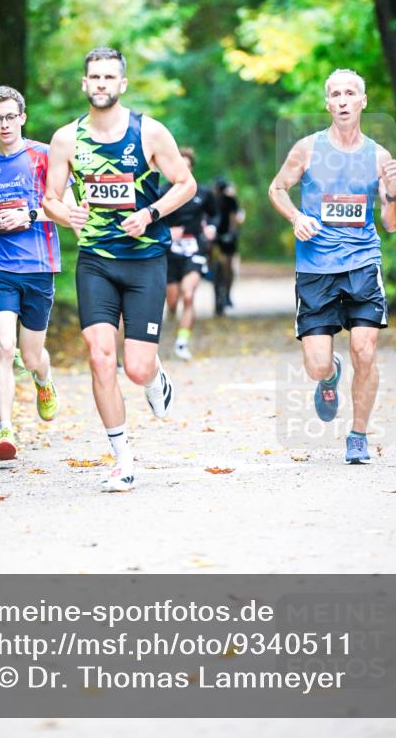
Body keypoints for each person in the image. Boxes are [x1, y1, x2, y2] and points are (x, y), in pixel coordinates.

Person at [44, 47, 197, 492]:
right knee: (98, 356)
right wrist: (64, 215)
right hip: (96, 261)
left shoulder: (149, 132)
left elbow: (186, 184)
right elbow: (52, 198)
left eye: (110, 77)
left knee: (135, 367)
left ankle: (153, 376)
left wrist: (149, 214)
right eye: (95, 77)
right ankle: (122, 458)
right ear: (84, 83)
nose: (102, 84)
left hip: (145, 260)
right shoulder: (66, 139)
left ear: (122, 84)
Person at [268, 68, 396, 464]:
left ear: (362, 101)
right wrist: (296, 218)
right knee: (316, 364)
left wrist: (393, 194)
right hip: (315, 268)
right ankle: (329, 375)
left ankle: (358, 435)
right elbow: (277, 188)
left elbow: (392, 223)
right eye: (335, 94)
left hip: (362, 262)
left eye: (350, 93)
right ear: (327, 104)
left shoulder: (379, 156)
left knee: (365, 349)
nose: (343, 100)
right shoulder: (306, 149)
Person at [0, 86, 68, 462]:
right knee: (4, 347)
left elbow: (66, 207)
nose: (5, 124)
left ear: (22, 117)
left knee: (30, 355)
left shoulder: (43, 157)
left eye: (11, 116)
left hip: (39, 266)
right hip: (0, 266)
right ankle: (5, 430)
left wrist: (30, 215)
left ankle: (42, 379)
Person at [160, 147, 217, 360]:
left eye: (187, 165)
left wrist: (211, 227)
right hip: (170, 253)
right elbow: (150, 221)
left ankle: (182, 343)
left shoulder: (203, 192)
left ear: (191, 168)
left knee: (189, 294)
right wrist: (167, 232)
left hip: (195, 249)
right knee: (172, 300)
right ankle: (172, 313)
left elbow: (215, 215)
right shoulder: (162, 192)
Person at [212, 178, 244, 314]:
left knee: (227, 266)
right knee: (219, 266)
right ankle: (222, 294)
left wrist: (231, 233)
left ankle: (227, 294)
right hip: (215, 237)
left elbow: (233, 218)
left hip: (226, 238)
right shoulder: (213, 200)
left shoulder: (230, 200)